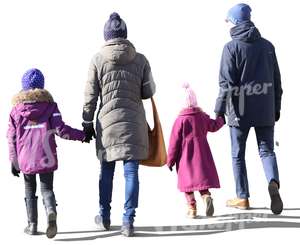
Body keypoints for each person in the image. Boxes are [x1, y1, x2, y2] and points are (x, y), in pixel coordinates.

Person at [82, 12, 156, 237]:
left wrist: (86, 121)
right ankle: (127, 221)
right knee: (131, 172)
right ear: (125, 35)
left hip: (108, 125)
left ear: (106, 36)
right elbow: (148, 91)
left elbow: (90, 94)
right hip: (134, 122)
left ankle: (104, 216)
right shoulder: (141, 59)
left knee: (106, 171)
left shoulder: (97, 59)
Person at [214, 3, 283, 214]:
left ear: (235, 22)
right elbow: (277, 81)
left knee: (238, 154)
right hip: (265, 109)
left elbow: (226, 84)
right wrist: (276, 108)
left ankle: (242, 197)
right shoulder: (268, 46)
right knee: (267, 150)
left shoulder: (231, 48)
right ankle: (273, 183)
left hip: (239, 111)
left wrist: (218, 111)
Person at [7, 68, 87, 238]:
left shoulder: (16, 110)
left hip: (25, 158)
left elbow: (11, 137)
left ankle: (32, 225)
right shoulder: (50, 107)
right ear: (42, 86)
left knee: (29, 190)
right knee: (47, 188)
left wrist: (14, 162)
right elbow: (61, 130)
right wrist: (82, 135)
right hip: (46, 156)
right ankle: (51, 211)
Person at [167, 83, 224, 218]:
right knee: (201, 180)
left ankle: (192, 208)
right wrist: (221, 119)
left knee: (187, 183)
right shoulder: (202, 116)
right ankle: (206, 197)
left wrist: (170, 161)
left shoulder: (180, 120)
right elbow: (214, 126)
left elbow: (174, 143)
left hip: (185, 158)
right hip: (202, 156)